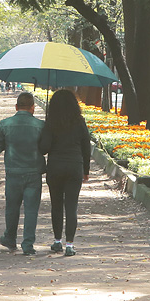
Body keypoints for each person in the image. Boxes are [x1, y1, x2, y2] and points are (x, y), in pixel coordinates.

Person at [0, 91, 46, 255]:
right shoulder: (41, 126)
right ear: (33, 108)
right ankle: (28, 245)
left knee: (12, 207)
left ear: (16, 107)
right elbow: (46, 148)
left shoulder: (5, 124)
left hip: (13, 172)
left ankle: (10, 238)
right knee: (31, 209)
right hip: (34, 172)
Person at [39, 89, 92, 257]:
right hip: (75, 167)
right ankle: (70, 244)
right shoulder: (80, 121)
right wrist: (86, 171)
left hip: (55, 168)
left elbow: (44, 148)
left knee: (56, 205)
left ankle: (57, 242)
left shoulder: (50, 123)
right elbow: (86, 147)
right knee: (71, 206)